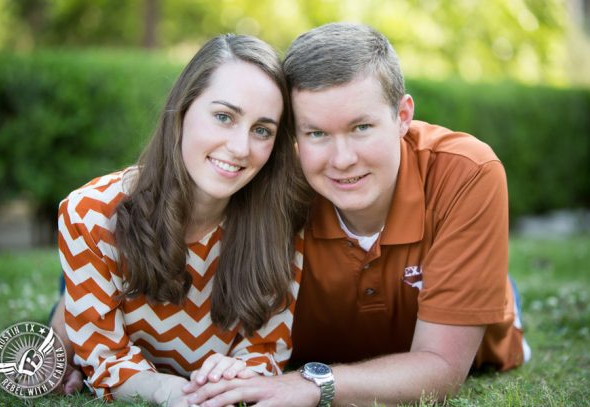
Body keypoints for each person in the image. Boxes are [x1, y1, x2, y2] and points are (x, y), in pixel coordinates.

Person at [184, 22, 531, 407]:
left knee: (479, 291)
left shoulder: (467, 173)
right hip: (337, 336)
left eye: (361, 127)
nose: (343, 160)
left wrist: (309, 384)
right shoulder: (271, 178)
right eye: (316, 134)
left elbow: (443, 368)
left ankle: (498, 288)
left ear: (403, 116)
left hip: (465, 329)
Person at [54, 33, 309, 405]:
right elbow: (105, 360)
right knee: (60, 338)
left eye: (262, 130)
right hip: (112, 253)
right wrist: (168, 391)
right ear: (183, 111)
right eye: (223, 117)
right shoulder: (88, 213)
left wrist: (236, 375)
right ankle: (60, 315)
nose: (240, 148)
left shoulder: (280, 220)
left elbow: (265, 350)